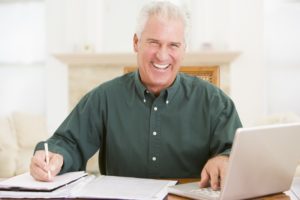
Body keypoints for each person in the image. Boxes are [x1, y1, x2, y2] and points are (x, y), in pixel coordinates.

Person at [30, 1, 242, 190]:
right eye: (153, 42)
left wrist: (225, 159)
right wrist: (55, 157)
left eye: (173, 45)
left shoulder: (214, 101)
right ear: (135, 43)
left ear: (184, 49)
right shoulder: (104, 98)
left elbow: (237, 151)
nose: (162, 55)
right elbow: (68, 143)